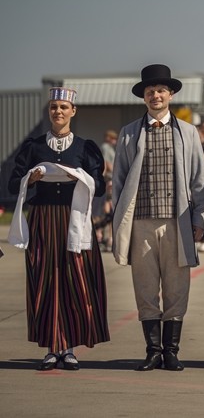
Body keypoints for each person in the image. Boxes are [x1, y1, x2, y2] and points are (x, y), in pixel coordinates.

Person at [111, 64, 204, 372]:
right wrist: (119, 224)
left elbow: (199, 180)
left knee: (177, 286)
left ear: (171, 94)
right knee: (145, 286)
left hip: (176, 222)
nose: (156, 95)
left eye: (161, 90)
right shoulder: (129, 134)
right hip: (141, 221)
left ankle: (172, 351)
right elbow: (119, 181)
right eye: (150, 91)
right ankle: (152, 350)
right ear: (144, 97)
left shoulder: (188, 132)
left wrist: (199, 218)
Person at [8, 87, 109, 370]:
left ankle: (71, 346)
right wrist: (32, 177)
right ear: (49, 111)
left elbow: (99, 187)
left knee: (75, 278)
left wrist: (79, 177)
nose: (58, 112)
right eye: (54, 107)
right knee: (46, 277)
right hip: (43, 219)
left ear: (73, 111)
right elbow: (12, 184)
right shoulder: (34, 147)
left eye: (64, 107)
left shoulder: (85, 148)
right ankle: (53, 347)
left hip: (74, 217)